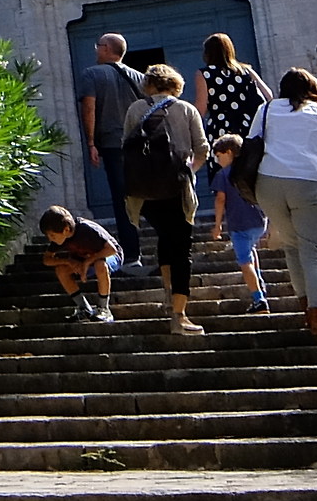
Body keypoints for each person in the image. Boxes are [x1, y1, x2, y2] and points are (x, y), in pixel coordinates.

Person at [246, 68, 317, 344]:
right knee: (314, 250)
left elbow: (250, 144)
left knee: (292, 247)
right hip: (307, 182)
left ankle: (306, 307)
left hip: (268, 183)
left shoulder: (266, 109)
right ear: (311, 88)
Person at [123, 64, 211, 334]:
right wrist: (189, 172)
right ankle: (179, 315)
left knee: (165, 238)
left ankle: (167, 291)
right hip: (177, 188)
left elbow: (127, 147)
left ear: (148, 84)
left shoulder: (136, 109)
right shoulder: (186, 109)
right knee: (181, 249)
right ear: (176, 84)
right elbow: (203, 149)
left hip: (146, 192)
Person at [75, 33, 146, 267]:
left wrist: (91, 142)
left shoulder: (91, 74)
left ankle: (132, 254)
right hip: (140, 145)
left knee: (122, 199)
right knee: (144, 194)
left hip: (113, 144)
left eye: (98, 46)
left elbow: (89, 108)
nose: (96, 50)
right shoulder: (140, 77)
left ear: (106, 49)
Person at [192, 32, 271, 218]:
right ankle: (259, 218)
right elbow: (268, 97)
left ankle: (235, 222)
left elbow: (201, 108)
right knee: (249, 172)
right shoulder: (246, 71)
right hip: (247, 130)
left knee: (225, 178)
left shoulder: (204, 74)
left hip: (220, 130)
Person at [209, 133, 269, 313]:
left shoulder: (223, 175)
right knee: (251, 251)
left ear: (229, 152)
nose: (217, 161)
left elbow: (220, 200)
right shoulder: (250, 171)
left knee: (244, 262)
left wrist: (217, 224)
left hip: (239, 223)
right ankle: (260, 282)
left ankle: (259, 299)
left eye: (219, 156)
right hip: (259, 221)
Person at [39, 204, 118, 322]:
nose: (50, 239)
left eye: (52, 235)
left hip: (110, 257)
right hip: (85, 260)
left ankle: (104, 308)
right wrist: (68, 261)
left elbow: (112, 250)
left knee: (99, 264)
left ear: (66, 230)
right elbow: (47, 259)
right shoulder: (61, 238)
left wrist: (88, 261)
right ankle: (84, 308)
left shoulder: (87, 229)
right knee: (61, 269)